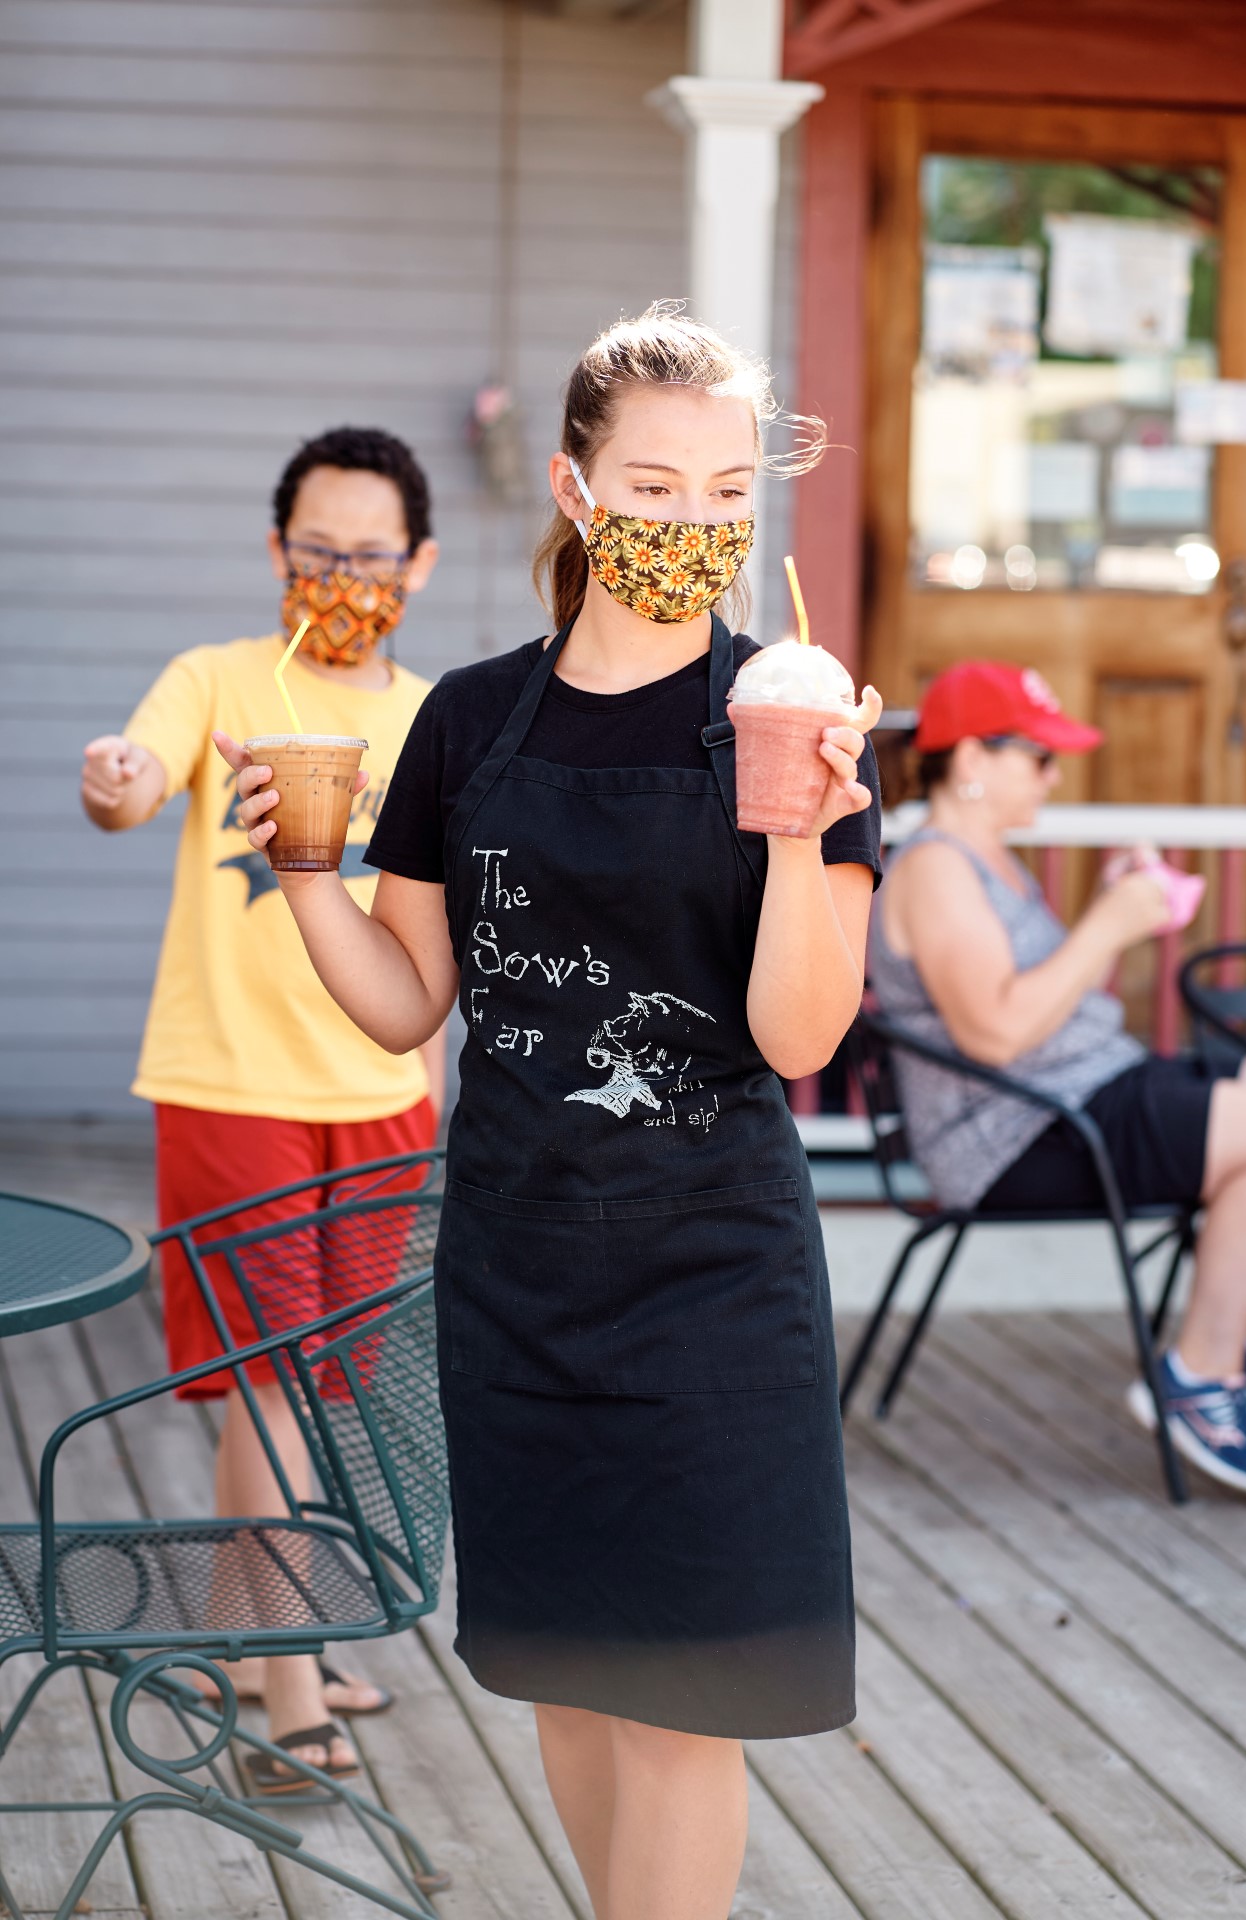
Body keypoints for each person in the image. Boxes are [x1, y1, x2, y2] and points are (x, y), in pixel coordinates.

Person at [220, 306, 883, 1918]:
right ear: (579, 491)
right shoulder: (467, 720)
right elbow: (408, 1004)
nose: (691, 525)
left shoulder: (792, 712)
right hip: (518, 1266)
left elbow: (799, 1035)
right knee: (575, 1686)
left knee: (683, 1713)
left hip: (714, 1275)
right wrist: (308, 878)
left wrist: (807, 834)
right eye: (651, 488)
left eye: (726, 493)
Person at [80, 425, 447, 1786]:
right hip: (232, 1081)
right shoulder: (219, 677)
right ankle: (289, 1686)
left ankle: (253, 1636)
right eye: (315, 552)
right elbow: (133, 779)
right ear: (276, 551)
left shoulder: (438, 718)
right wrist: (115, 778)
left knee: (315, 1385)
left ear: (419, 561)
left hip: (383, 1094)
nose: (342, 577)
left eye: (368, 555)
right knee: (268, 1382)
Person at [871, 658, 1246, 1496]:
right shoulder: (935, 870)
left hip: (1087, 1095)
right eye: (1039, 756)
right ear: (974, 759)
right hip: (1023, 1134)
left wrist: (1117, 906)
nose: (1055, 775)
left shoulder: (988, 862)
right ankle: (1203, 1378)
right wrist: (1107, 926)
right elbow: (994, 1033)